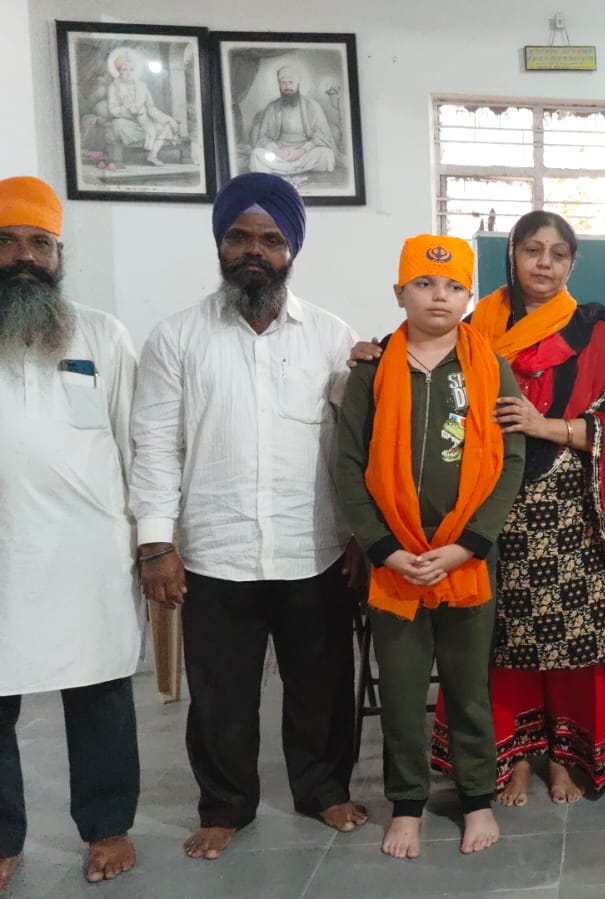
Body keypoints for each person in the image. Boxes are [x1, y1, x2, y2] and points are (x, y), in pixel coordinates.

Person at [131, 173, 366, 860]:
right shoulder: (176, 337)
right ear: (220, 244)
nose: (254, 251)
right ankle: (226, 804)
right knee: (220, 693)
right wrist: (155, 543)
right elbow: (155, 444)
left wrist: (359, 535)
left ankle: (323, 789)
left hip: (314, 544)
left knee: (321, 685)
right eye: (239, 237)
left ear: (291, 249)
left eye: (270, 239)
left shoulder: (331, 336)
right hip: (216, 549)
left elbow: (353, 449)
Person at [421, 211, 605, 805]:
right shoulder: (473, 328)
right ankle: (514, 756)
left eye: (558, 253)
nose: (545, 263)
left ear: (572, 264)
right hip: (489, 506)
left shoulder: (593, 333)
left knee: (573, 641)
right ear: (512, 254)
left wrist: (546, 426)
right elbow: (423, 378)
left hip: (570, 511)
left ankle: (565, 758)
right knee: (499, 639)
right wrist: (374, 351)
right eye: (533, 250)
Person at [336, 235, 525, 858]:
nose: (438, 296)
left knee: (468, 690)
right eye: (424, 283)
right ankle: (407, 804)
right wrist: (383, 547)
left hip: (466, 561)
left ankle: (476, 799)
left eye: (452, 286)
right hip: (395, 563)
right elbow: (349, 465)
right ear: (400, 293)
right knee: (401, 688)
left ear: (469, 297)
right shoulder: (371, 371)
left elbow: (511, 460)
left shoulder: (490, 367)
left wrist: (470, 545)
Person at [0, 177, 141, 890]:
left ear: (59, 253)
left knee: (100, 693)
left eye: (40, 243)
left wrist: (154, 540)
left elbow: (136, 443)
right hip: (4, 552)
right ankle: (2, 839)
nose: (23, 256)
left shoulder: (102, 334)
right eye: (6, 242)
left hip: (88, 553)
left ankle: (108, 826)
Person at [248, 67, 339, 177]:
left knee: (326, 154)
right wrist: (276, 151)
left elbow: (321, 136)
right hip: (280, 154)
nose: (287, 87)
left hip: (305, 154)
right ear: (279, 85)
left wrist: (301, 150)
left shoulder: (312, 106)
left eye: (291, 83)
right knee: (255, 155)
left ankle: (282, 170)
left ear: (297, 84)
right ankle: (294, 169)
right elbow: (263, 137)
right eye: (283, 83)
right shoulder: (272, 107)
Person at [106, 48, 180, 167]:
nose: (128, 72)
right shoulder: (114, 86)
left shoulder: (142, 86)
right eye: (125, 69)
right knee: (119, 125)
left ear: (135, 71)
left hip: (144, 123)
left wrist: (168, 119)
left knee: (166, 126)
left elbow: (151, 108)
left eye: (131, 69)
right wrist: (126, 108)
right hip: (127, 124)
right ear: (118, 70)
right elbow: (112, 110)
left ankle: (152, 155)